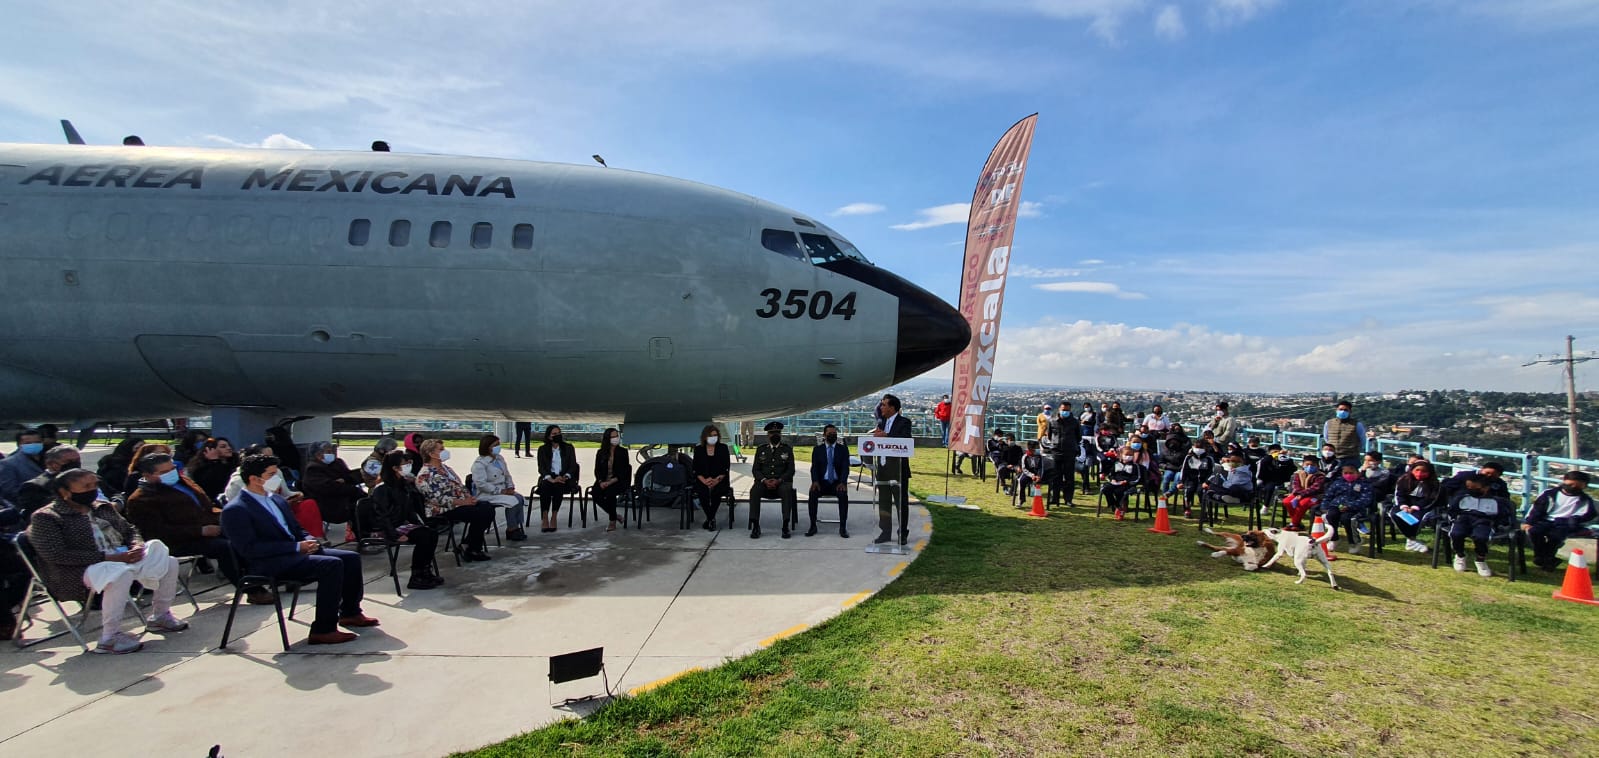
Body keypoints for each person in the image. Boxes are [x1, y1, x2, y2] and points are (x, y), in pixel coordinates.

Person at [28, 468, 188, 653]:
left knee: (168, 562)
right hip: (79, 569)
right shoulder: (46, 517)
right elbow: (56, 554)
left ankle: (160, 616)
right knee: (119, 575)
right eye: (86, 486)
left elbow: (129, 530)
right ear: (65, 492)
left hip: (121, 557)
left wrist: (136, 545)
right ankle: (109, 638)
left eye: (94, 485)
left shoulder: (101, 507)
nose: (92, 489)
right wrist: (108, 557)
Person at [221, 455, 377, 645]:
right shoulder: (236, 509)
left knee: (350, 558)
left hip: (296, 554)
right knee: (331, 565)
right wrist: (295, 547)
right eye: (271, 475)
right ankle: (323, 629)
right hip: (269, 562)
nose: (276, 479)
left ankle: (350, 612)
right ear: (254, 479)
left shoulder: (276, 500)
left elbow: (296, 529)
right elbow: (250, 549)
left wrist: (309, 540)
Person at [123, 452, 252, 594]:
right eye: (164, 472)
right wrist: (200, 531)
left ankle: (261, 576)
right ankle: (249, 589)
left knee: (245, 534)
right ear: (148, 475)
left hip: (210, 528)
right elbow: (157, 532)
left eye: (173, 469)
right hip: (179, 542)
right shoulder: (140, 500)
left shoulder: (184, 482)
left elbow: (206, 507)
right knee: (224, 546)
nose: (171, 473)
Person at [360, 451, 443, 589]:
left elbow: (409, 510)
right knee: (424, 536)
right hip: (389, 528)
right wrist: (394, 535)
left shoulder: (403, 485)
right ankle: (416, 576)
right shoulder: (382, 488)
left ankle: (425, 571)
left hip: (401, 524)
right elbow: (382, 516)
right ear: (395, 468)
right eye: (405, 464)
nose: (408, 466)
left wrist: (419, 524)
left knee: (431, 533)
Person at [415, 439, 494, 560]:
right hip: (443, 509)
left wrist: (469, 498)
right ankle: (472, 548)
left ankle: (468, 544)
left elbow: (459, 486)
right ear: (431, 454)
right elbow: (437, 500)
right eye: (441, 449)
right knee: (480, 514)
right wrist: (463, 502)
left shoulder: (445, 468)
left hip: (460, 503)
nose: (445, 451)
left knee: (487, 508)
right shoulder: (425, 475)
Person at [223, 443, 320, 540]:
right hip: (258, 516)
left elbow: (286, 493)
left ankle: (314, 538)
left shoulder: (277, 473)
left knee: (308, 504)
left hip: (279, 505)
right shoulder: (238, 481)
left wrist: (296, 495)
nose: (270, 459)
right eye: (266, 457)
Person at [1523, 471, 1598, 571]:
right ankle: (1546, 559)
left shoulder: (1585, 500)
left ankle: (1544, 559)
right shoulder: (1550, 494)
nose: (1572, 487)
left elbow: (1588, 515)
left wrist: (1574, 520)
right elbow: (1537, 509)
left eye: (1577, 486)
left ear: (1583, 486)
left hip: (1565, 524)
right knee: (1534, 532)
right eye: (1570, 484)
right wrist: (1529, 522)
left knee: (1555, 537)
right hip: (1546, 520)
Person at [1447, 474, 1513, 577]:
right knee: (1456, 534)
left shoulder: (1496, 502)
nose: (1471, 490)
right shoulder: (1462, 497)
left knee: (1481, 537)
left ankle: (1480, 559)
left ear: (1486, 488)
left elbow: (1503, 516)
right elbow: (1452, 510)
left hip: (1484, 521)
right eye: (1468, 487)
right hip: (1463, 519)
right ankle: (1460, 555)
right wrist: (1453, 519)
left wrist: (1499, 525)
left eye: (1475, 488)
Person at [871, 394, 914, 545]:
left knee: (900, 502)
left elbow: (906, 439)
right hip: (883, 467)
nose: (881, 407)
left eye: (884, 405)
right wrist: (877, 436)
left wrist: (887, 435)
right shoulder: (882, 422)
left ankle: (902, 533)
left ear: (892, 407)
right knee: (884, 501)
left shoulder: (904, 422)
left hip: (898, 469)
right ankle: (885, 532)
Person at [471, 434, 528, 540]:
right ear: (488, 447)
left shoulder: (499, 459)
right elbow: (481, 484)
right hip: (487, 494)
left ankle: (515, 526)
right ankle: (511, 529)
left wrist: (510, 486)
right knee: (512, 501)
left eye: (498, 444)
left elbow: (507, 475)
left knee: (519, 498)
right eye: (495, 445)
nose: (498, 447)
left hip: (503, 490)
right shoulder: (480, 464)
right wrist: (501, 491)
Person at [300, 441, 365, 530]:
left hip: (344, 498)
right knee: (363, 507)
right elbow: (330, 488)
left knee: (369, 502)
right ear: (318, 455)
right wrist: (351, 488)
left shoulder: (336, 463)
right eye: (329, 452)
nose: (332, 454)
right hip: (330, 505)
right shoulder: (313, 469)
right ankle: (362, 533)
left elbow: (349, 476)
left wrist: (346, 479)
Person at [748, 421, 796, 539]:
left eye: (777, 433)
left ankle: (785, 525)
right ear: (768, 435)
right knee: (754, 491)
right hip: (764, 483)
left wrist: (778, 480)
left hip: (781, 483)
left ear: (780, 434)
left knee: (786, 491)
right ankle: (755, 525)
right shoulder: (761, 449)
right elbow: (755, 470)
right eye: (772, 433)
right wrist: (765, 480)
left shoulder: (787, 449)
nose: (775, 435)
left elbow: (791, 470)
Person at [1318, 465, 1376, 552]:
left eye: (1351, 473)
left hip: (1355, 509)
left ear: (1358, 473)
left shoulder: (1364, 484)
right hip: (1336, 505)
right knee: (1330, 516)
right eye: (1345, 473)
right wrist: (1324, 507)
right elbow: (1328, 496)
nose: (1348, 475)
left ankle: (1354, 542)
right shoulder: (1337, 483)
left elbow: (1365, 499)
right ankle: (1334, 539)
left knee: (1346, 519)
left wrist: (1350, 506)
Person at [807, 424, 851, 537]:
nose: (832, 435)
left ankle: (843, 527)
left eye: (834, 433)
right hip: (822, 482)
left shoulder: (843, 449)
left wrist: (843, 482)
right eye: (830, 433)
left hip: (837, 482)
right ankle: (813, 526)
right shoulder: (818, 450)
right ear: (824, 435)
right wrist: (815, 481)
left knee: (843, 495)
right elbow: (814, 467)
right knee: (812, 494)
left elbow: (845, 468)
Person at [16, 445, 84, 517]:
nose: (75, 464)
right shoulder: (34, 486)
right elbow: (36, 513)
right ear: (51, 464)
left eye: (77, 460)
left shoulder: (85, 480)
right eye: (68, 461)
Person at [1390, 460, 1442, 553]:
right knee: (1395, 514)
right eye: (1417, 470)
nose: (1420, 473)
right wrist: (1404, 506)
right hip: (1404, 505)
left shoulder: (1435, 483)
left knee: (1416, 519)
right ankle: (1411, 540)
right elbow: (1399, 495)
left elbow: (1431, 499)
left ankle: (1411, 540)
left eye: (1424, 471)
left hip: (1423, 507)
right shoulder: (1403, 480)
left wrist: (1415, 507)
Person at [535, 426, 579, 533]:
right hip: (549, 477)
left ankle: (554, 516)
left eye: (558, 433)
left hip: (564, 478)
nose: (557, 435)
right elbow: (541, 468)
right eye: (554, 434)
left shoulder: (568, 448)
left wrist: (565, 476)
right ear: (549, 436)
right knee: (545, 487)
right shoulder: (542, 449)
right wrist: (550, 478)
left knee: (559, 486)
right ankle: (545, 516)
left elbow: (573, 466)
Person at [692, 424, 733, 530]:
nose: (713, 437)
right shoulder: (699, 449)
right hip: (703, 479)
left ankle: (709, 519)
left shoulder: (723, 448)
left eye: (715, 435)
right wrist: (704, 480)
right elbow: (695, 468)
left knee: (716, 493)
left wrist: (716, 480)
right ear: (705, 437)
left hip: (720, 479)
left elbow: (726, 467)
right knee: (702, 493)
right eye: (710, 435)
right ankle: (711, 518)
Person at [591, 428, 629, 531]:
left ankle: (612, 521)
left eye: (616, 436)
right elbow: (597, 469)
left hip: (618, 481)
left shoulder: (623, 452)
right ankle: (615, 516)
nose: (616, 438)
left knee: (610, 493)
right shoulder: (601, 452)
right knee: (595, 493)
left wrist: (611, 481)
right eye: (613, 436)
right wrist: (600, 481)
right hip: (603, 480)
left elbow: (624, 471)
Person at [0, 429, 46, 506]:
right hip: (26, 506)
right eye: (28, 443)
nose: (33, 445)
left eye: (37, 442)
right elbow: (9, 491)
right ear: (19, 445)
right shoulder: (8, 463)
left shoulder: (51, 459)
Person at [186, 437, 239, 502]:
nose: (229, 448)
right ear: (211, 449)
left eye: (229, 446)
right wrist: (214, 461)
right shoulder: (200, 468)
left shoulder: (235, 464)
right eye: (223, 447)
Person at [1048, 405, 1081, 506]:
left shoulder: (1075, 422)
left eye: (1067, 410)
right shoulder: (1052, 420)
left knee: (1069, 477)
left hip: (1070, 452)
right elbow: (1049, 435)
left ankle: (1068, 499)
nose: (1065, 412)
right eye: (1063, 410)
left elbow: (1078, 437)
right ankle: (1055, 498)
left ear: (1070, 410)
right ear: (1059, 409)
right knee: (1056, 476)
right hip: (1056, 451)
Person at [1322, 400, 1368, 471]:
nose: (1343, 411)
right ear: (1336, 410)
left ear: (1350, 411)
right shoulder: (1328, 423)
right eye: (1340, 409)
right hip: (1333, 458)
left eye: (1346, 410)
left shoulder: (1357, 425)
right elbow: (1326, 438)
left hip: (1350, 458)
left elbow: (1363, 440)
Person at [1102, 446, 1143, 520]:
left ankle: (1119, 509)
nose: (1128, 456)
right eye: (1126, 454)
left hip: (1126, 484)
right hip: (1115, 483)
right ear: (1121, 455)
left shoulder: (1135, 466)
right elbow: (1110, 475)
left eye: (1130, 455)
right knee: (1105, 489)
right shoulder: (1116, 464)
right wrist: (1112, 480)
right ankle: (1115, 505)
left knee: (1119, 491)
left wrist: (1127, 481)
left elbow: (1137, 478)